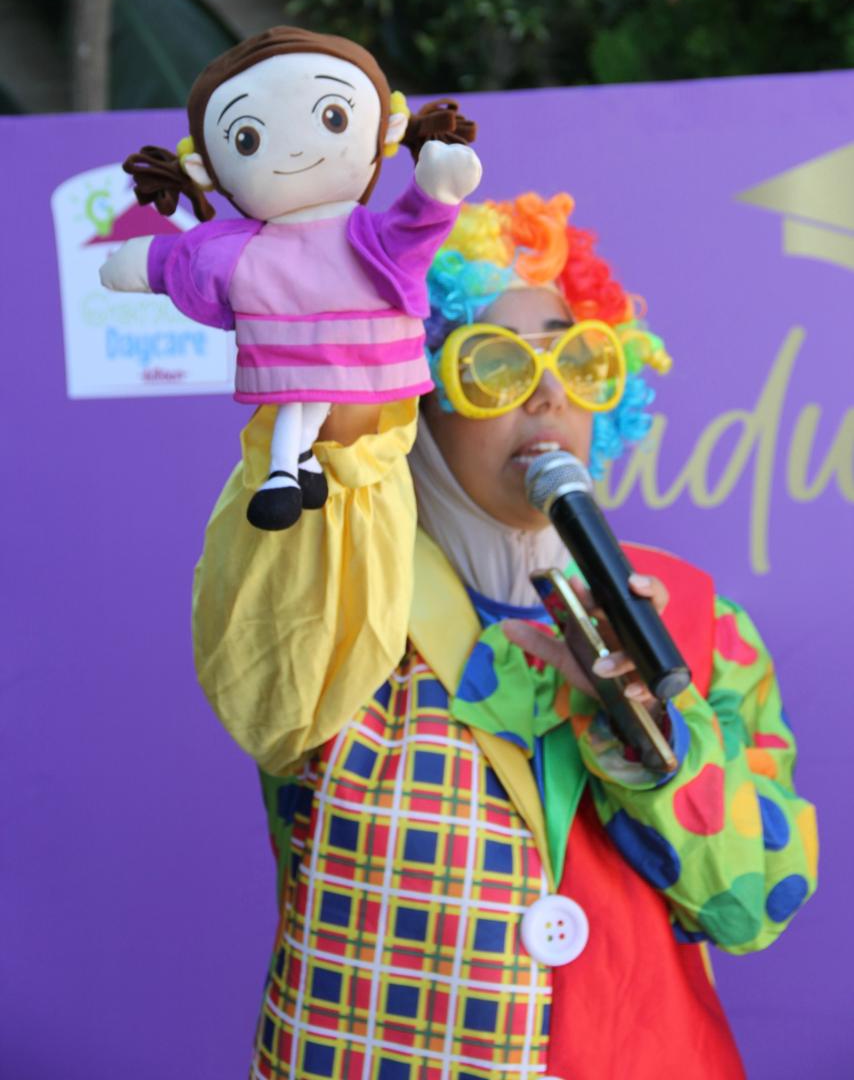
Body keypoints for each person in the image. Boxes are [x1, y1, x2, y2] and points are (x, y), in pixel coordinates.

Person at [193, 191, 817, 1079]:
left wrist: (656, 740)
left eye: (577, 358)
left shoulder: (695, 617)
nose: (549, 393)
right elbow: (266, 658)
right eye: (495, 365)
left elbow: (755, 907)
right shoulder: (341, 605)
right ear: (414, 401)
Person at [99, 26, 481, 529]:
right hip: (305, 353)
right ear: (203, 170)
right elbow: (190, 258)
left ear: (386, 130)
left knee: (311, 397)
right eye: (248, 139)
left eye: (333, 117)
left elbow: (412, 231)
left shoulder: (364, 236)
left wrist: (435, 193)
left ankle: (295, 464)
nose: (297, 150)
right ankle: (284, 470)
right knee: (301, 398)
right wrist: (149, 262)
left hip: (343, 358)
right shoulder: (247, 247)